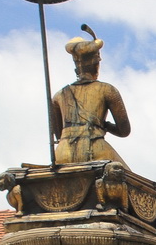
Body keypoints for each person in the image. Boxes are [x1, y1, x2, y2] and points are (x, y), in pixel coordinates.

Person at [51, 29, 130, 166]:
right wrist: (105, 125)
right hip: (96, 148)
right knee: (127, 177)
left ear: (76, 66)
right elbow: (124, 130)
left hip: (63, 152)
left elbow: (58, 133)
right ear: (96, 65)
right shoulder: (107, 90)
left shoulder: (59, 95)